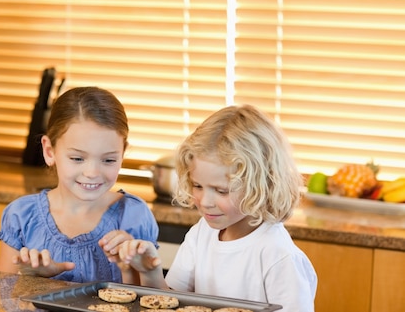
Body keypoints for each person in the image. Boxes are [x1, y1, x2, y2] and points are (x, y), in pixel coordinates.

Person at [114, 104, 317, 311]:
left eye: (221, 191)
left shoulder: (278, 256)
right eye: (197, 186)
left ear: (261, 185)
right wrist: (150, 272)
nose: (204, 201)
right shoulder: (201, 234)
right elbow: (170, 303)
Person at [0, 86, 159, 283]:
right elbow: (3, 297)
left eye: (108, 160)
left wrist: (129, 266)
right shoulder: (21, 217)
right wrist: (32, 280)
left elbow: (147, 302)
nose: (92, 173)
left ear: (122, 153)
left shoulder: (134, 216)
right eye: (77, 158)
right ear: (49, 151)